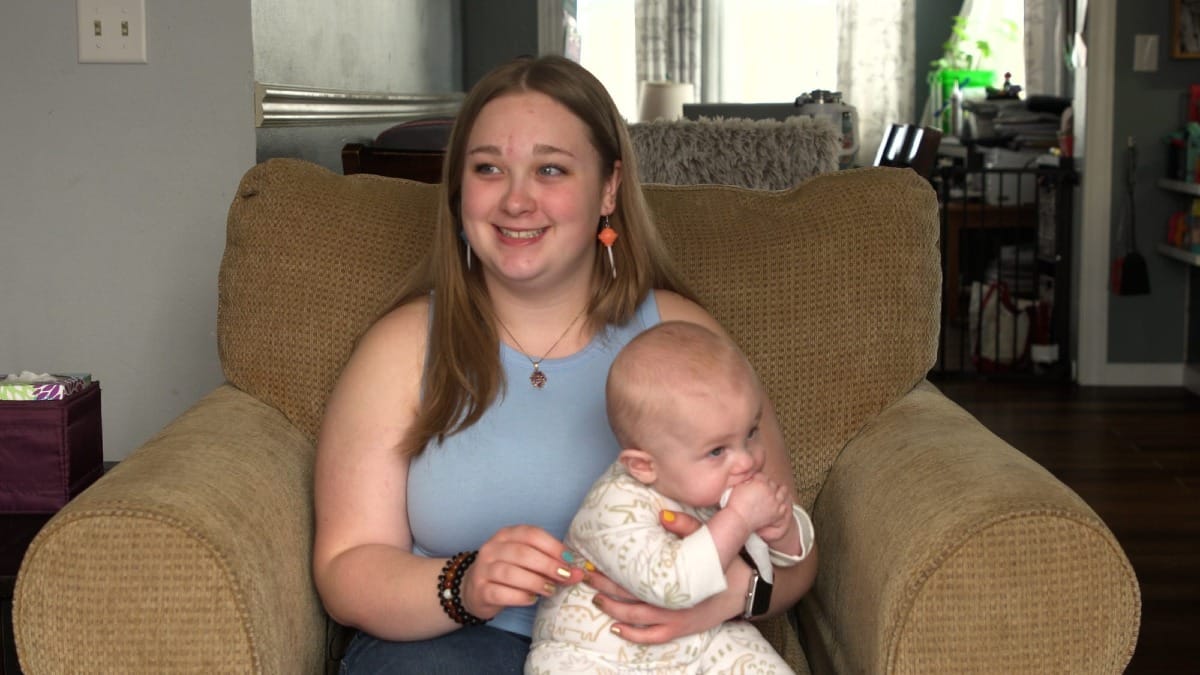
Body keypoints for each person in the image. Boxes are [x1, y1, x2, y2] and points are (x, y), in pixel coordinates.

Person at [312, 54, 817, 674]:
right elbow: (346, 565)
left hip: (656, 651)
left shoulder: (682, 335)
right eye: (488, 168)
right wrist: (462, 585)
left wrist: (717, 605)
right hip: (452, 648)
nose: (516, 199)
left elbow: (790, 545)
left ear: (608, 188)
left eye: (550, 168)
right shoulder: (403, 346)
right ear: (459, 191)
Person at [527, 321, 815, 674]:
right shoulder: (614, 507)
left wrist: (783, 531)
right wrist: (738, 519)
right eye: (716, 451)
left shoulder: (719, 484)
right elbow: (672, 585)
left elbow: (783, 561)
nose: (747, 460)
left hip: (703, 637)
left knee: (756, 662)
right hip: (597, 651)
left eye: (751, 433)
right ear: (644, 467)